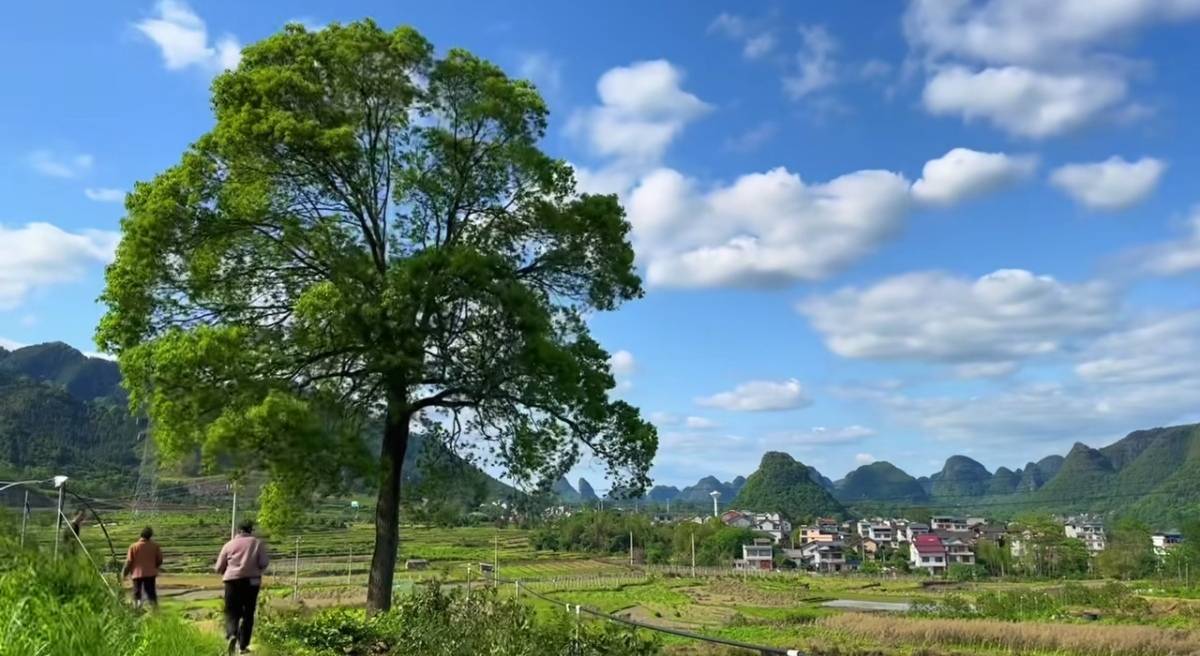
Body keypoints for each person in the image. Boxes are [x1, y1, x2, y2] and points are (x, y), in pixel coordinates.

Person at [217, 520, 270, 654]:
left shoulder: (228, 545)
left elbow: (218, 567)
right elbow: (264, 563)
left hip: (232, 582)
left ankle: (232, 634)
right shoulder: (257, 543)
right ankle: (243, 646)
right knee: (248, 613)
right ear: (251, 530)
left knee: (231, 611)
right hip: (252, 582)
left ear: (238, 531)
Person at [123, 526, 163, 608]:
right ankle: (155, 611)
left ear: (141, 535)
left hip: (137, 574)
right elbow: (159, 560)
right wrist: (153, 567)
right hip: (150, 574)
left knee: (137, 593)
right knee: (151, 593)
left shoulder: (133, 546)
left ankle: (137, 609)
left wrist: (124, 573)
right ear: (150, 536)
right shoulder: (155, 546)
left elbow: (129, 562)